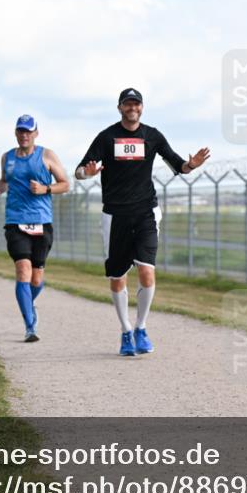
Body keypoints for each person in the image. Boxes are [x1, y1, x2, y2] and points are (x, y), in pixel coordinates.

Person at [75, 88, 210, 356]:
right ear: (120, 108)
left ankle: (141, 327)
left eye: (136, 104)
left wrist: (191, 165)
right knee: (117, 278)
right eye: (127, 104)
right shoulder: (107, 137)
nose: (132, 108)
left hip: (146, 211)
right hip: (115, 216)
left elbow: (177, 164)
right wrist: (87, 173)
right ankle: (125, 331)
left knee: (147, 271)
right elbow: (79, 171)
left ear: (142, 108)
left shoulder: (152, 135)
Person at [0, 115, 70, 341]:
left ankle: (28, 304)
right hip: (15, 220)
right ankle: (29, 326)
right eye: (20, 131)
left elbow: (65, 184)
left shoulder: (47, 155)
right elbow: (4, 180)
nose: (24, 135)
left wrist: (45, 189)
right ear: (15, 133)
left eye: (28, 131)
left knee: (36, 278)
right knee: (23, 269)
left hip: (42, 221)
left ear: (36, 133)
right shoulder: (7, 157)